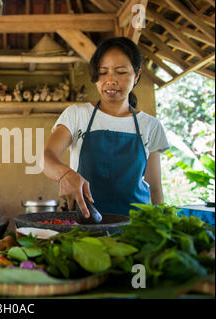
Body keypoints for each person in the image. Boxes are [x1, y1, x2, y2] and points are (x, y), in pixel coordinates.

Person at [43, 37, 169, 218]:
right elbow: (47, 157)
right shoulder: (77, 114)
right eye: (103, 72)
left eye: (121, 72)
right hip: (87, 225)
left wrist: (162, 225)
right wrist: (64, 174)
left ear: (137, 75)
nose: (111, 80)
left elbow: (155, 189)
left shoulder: (150, 125)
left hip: (137, 226)